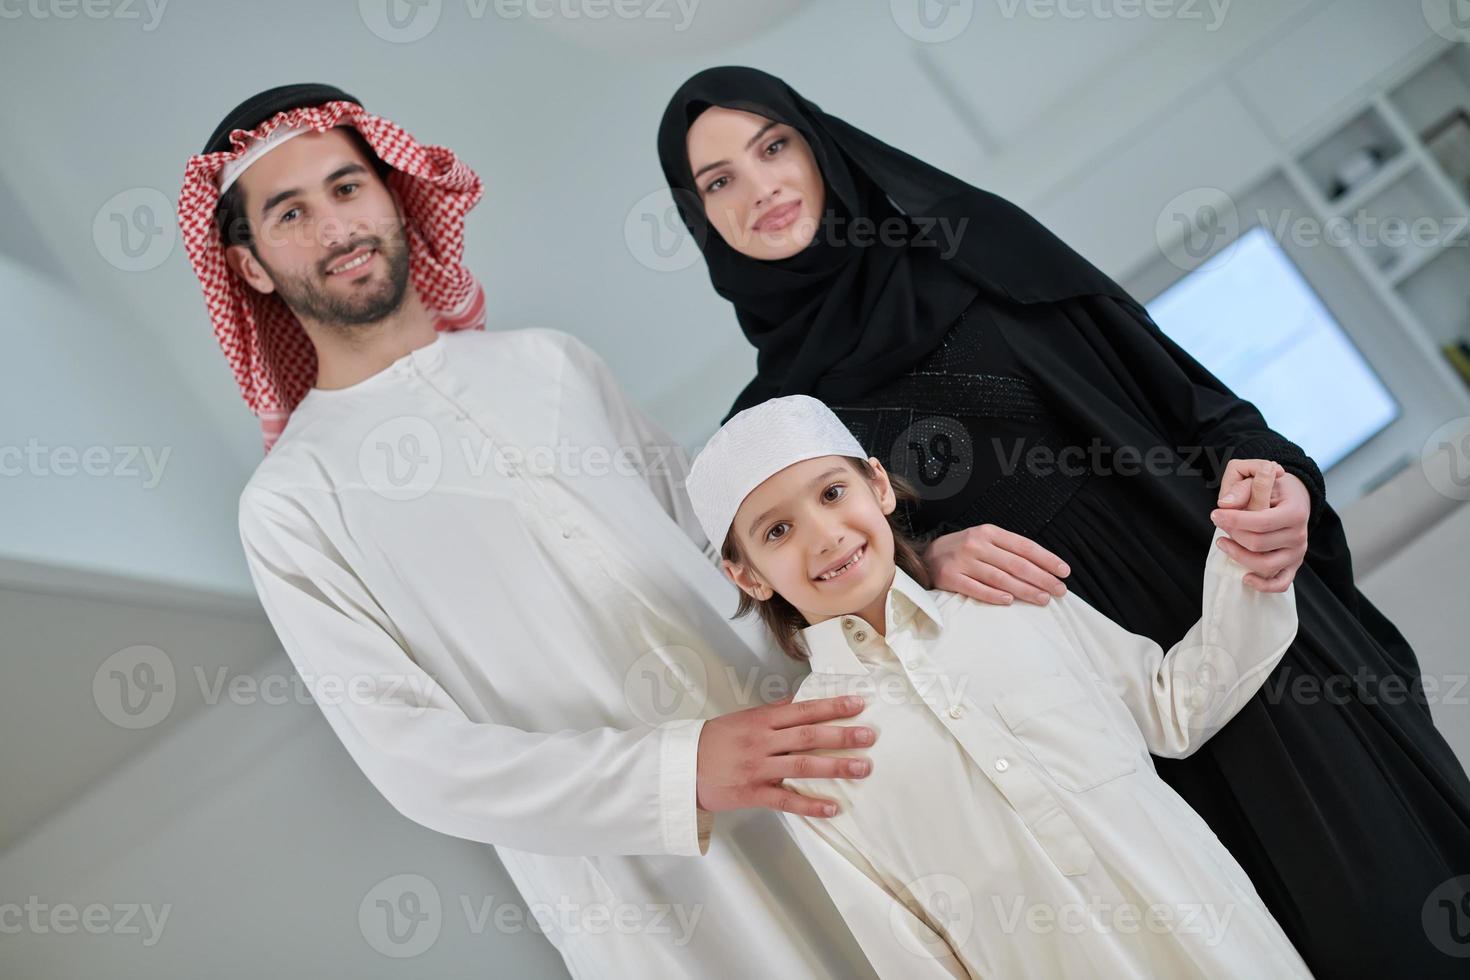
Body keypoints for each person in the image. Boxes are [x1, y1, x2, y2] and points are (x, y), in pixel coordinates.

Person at [657, 65, 1470, 977]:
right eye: (718, 179)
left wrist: (1278, 486)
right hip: (1063, 718)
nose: (759, 186)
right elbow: (841, 604)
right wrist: (921, 552)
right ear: (697, 217)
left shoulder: (976, 247)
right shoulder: (776, 425)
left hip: (1222, 621)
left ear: (819, 146)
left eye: (774, 146)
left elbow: (1194, 401)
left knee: (1390, 916)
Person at [178, 82, 889, 978]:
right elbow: (413, 756)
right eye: (291, 211)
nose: (336, 226)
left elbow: (737, 549)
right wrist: (676, 775)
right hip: (658, 892)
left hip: (822, 765)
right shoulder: (291, 504)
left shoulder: (550, 363)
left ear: (394, 195)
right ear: (247, 266)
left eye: (348, 187)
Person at [684, 393, 1312, 978]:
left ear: (877, 485)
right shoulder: (808, 756)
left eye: (831, 492)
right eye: (776, 531)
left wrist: (1247, 552)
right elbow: (910, 953)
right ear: (747, 576)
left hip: (1221, 944)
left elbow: (1175, 708)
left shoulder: (1011, 603)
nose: (823, 535)